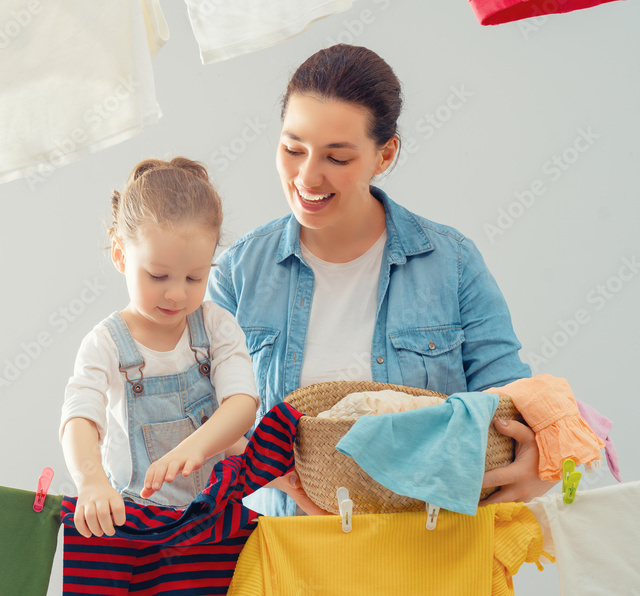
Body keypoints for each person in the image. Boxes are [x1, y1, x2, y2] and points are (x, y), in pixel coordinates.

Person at [207, 44, 557, 517]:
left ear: (385, 154)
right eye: (292, 149)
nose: (307, 175)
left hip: (427, 558)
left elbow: (510, 404)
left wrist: (537, 457)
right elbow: (205, 424)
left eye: (338, 157)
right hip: (282, 558)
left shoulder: (451, 263)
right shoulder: (237, 273)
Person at [60, 157, 260, 537]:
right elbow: (80, 417)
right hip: (137, 523)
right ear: (120, 254)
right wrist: (92, 483)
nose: (176, 293)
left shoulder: (216, 326)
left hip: (213, 517)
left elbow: (241, 405)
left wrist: (196, 448)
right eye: (158, 275)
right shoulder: (106, 344)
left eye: (194, 277)